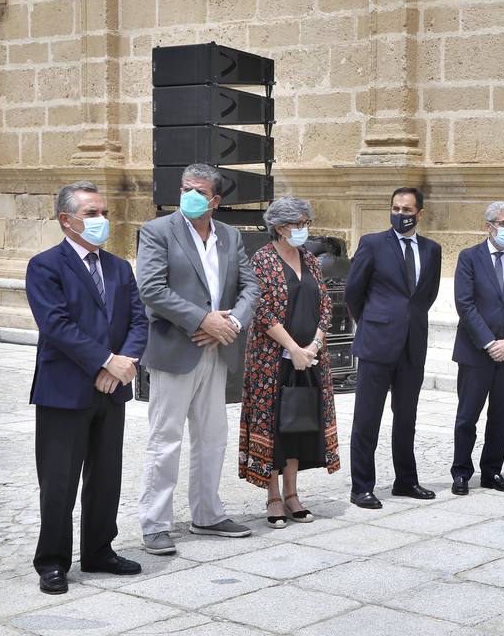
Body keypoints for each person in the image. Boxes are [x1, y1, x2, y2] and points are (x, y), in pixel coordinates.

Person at [26, 182, 148, 595]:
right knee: (59, 480)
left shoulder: (118, 267)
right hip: (64, 390)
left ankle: (99, 550)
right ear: (67, 220)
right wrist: (104, 360)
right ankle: (53, 561)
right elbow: (57, 325)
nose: (102, 221)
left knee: (106, 475)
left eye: (103, 213)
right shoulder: (45, 266)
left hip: (110, 389)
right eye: (92, 214)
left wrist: (122, 363)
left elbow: (138, 321)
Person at [137, 164, 260, 555]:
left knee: (212, 437)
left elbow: (250, 286)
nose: (190, 195)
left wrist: (231, 324)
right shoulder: (158, 231)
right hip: (176, 347)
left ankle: (207, 513)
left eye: (199, 190)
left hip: (217, 347)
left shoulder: (229, 235)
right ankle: (155, 523)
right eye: (185, 188)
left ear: (215, 200)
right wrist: (202, 319)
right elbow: (152, 288)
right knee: (165, 439)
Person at [238, 198, 340, 527]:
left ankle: (293, 494)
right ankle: (272, 497)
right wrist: (292, 347)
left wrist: (313, 345)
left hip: (310, 357)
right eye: (298, 223)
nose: (303, 229)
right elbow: (262, 309)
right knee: (274, 425)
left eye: (305, 222)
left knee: (299, 424)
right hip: (271, 359)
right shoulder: (262, 260)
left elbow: (326, 303)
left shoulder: (309, 259)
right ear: (280, 227)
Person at [346, 186, 442, 508]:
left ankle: (406, 480)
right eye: (396, 209)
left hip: (412, 345)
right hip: (376, 344)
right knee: (367, 418)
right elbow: (353, 293)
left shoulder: (432, 250)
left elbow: (425, 297)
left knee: (407, 418)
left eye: (406, 210)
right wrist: (375, 322)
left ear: (420, 213)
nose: (400, 214)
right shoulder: (372, 244)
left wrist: (407, 322)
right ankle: (361, 486)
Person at [450, 201, 504, 495]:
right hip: (475, 351)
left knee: (501, 416)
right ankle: (461, 471)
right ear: (489, 226)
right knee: (467, 415)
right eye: (503, 223)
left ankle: (492, 471)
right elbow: (465, 303)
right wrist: (489, 342)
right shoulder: (469, 257)